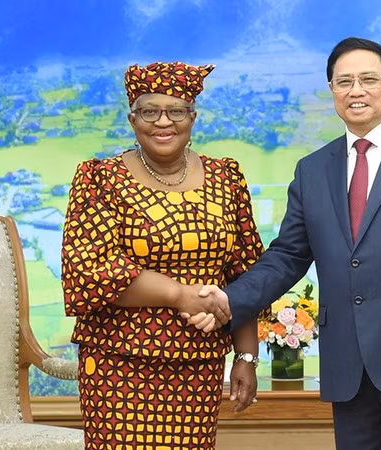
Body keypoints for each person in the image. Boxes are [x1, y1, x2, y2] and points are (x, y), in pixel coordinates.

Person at [194, 37, 381, 449]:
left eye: (368, 79)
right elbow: (288, 255)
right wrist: (229, 299)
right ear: (331, 90)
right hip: (348, 370)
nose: (356, 90)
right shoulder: (313, 169)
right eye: (344, 82)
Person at [61, 61, 263, 449]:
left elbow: (245, 273)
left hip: (199, 364)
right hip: (119, 364)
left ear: (193, 117)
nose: (163, 122)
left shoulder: (226, 177)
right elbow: (89, 271)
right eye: (150, 111)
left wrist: (247, 356)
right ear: (132, 119)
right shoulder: (100, 179)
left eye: (176, 111)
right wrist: (178, 294)